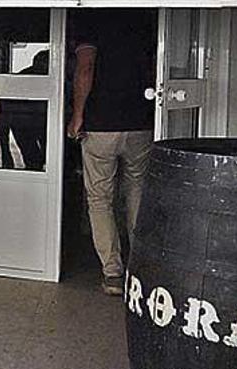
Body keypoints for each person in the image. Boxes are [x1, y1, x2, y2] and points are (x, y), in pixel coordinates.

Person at [67, 9, 156, 296]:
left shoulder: (88, 16)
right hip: (140, 122)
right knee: (137, 191)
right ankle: (140, 266)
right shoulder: (143, 16)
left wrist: (77, 114)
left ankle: (113, 274)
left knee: (100, 198)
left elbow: (86, 67)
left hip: (101, 125)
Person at [0, 49, 49, 171]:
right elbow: (5, 105)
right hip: (24, 124)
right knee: (34, 161)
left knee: (43, 160)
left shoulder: (22, 78)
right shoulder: (22, 79)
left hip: (34, 123)